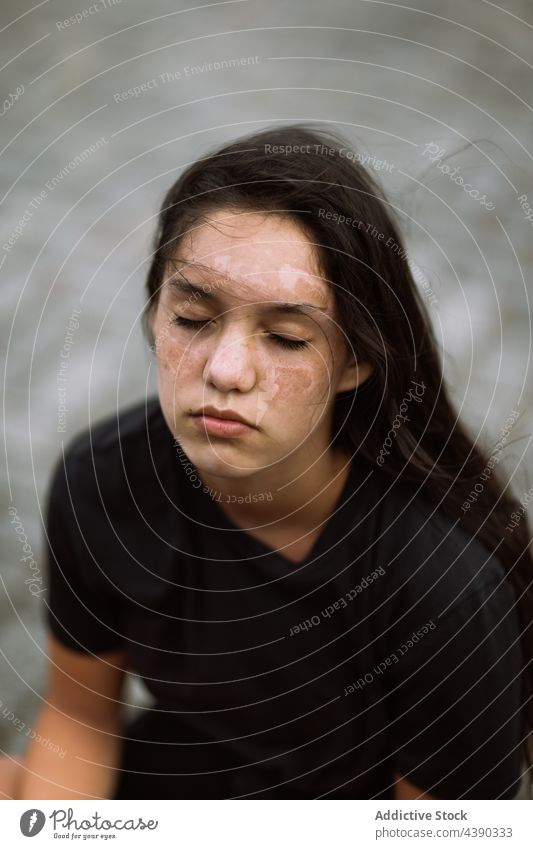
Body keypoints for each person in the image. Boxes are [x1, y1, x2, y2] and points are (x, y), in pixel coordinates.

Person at [3, 124, 532, 800]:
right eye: (193, 318)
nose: (224, 371)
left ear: (356, 360)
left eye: (284, 337)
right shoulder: (104, 484)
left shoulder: (442, 588)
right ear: (154, 310)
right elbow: (79, 719)